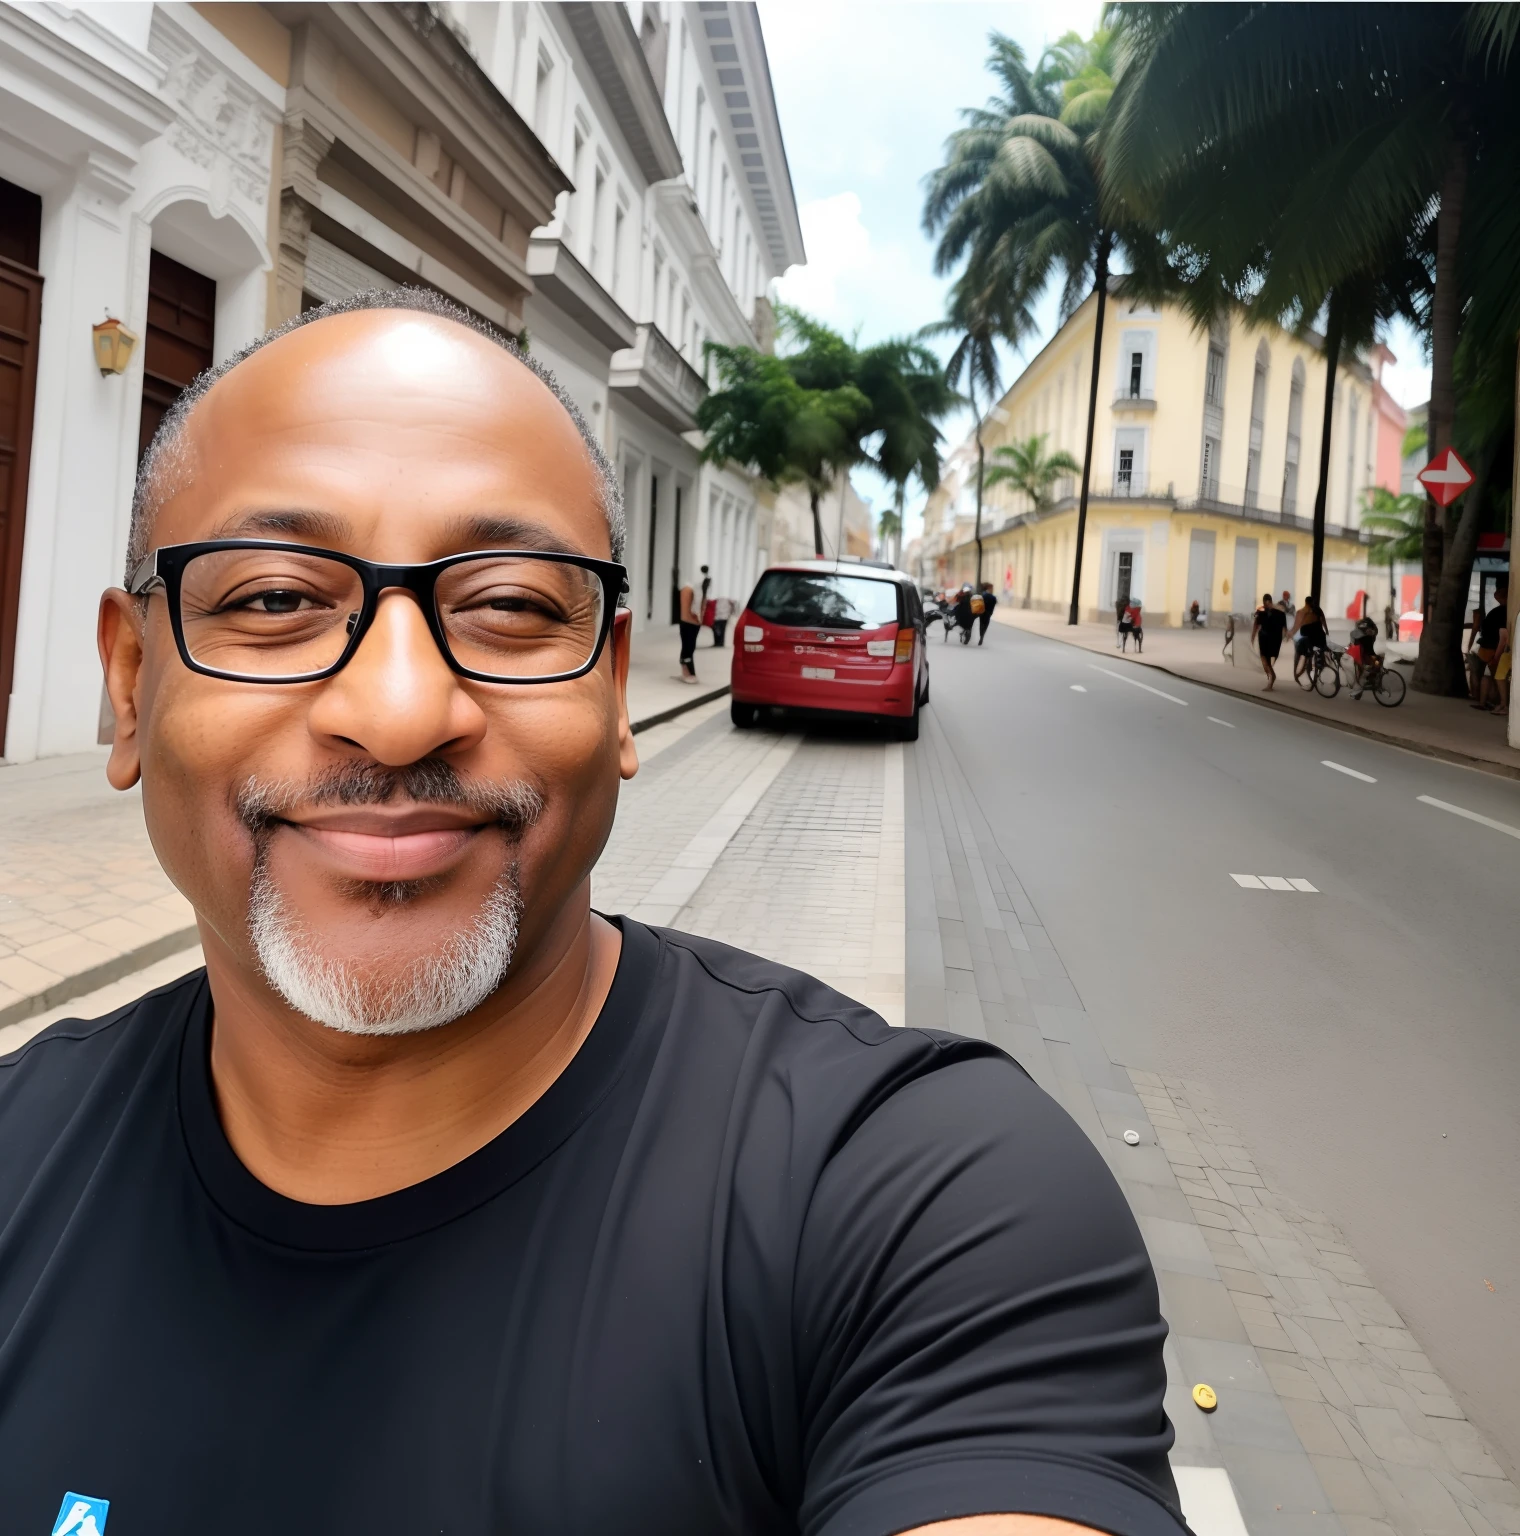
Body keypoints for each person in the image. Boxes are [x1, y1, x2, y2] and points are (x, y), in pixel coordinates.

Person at [0, 289, 1184, 1532]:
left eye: (509, 606)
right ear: (132, 687)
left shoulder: (920, 1203)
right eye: (274, 601)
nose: (400, 711)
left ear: (615, 691)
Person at [1472, 580, 1510, 711]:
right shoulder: (1506, 613)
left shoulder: (1495, 612)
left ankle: (1484, 702)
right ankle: (1497, 702)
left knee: (1487, 676)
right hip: (1495, 648)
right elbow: (1502, 636)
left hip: (1486, 648)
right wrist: (1497, 655)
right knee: (1496, 677)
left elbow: (1483, 627)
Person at [1252, 591, 1287, 690]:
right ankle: (1271, 678)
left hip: (1267, 639)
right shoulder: (1279, 613)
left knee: (1265, 661)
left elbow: (1255, 626)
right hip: (1273, 639)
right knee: (1267, 661)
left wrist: (1252, 637)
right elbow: (1285, 629)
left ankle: (1271, 677)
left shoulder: (1263, 612)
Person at [1290, 594, 1328, 685]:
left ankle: (1297, 674)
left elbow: (1297, 626)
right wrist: (1326, 632)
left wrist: (1290, 634)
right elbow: (1323, 622)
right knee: (1313, 656)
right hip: (1319, 638)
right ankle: (1312, 675)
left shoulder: (1302, 612)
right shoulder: (1318, 610)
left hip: (1307, 638)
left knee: (1302, 656)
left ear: (1305, 602)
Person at [1347, 610, 1381, 699]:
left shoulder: (1359, 624)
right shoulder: (1369, 622)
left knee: (1360, 669)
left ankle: (1358, 692)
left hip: (1363, 650)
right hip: (1370, 650)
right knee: (1371, 663)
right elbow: (1375, 632)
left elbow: (1354, 639)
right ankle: (1373, 677)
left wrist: (1351, 645)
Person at [676, 577, 701, 683]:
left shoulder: (695, 590)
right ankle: (686, 672)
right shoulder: (688, 590)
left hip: (692, 623)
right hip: (688, 623)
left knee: (690, 647)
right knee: (688, 647)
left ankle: (688, 671)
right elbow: (686, 612)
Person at [1464, 603, 1487, 699]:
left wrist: (1468, 648)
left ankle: (1475, 694)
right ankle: (1477, 694)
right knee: (1478, 673)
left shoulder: (1477, 625)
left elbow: (1474, 632)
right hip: (1480, 649)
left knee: (1474, 673)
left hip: (1475, 650)